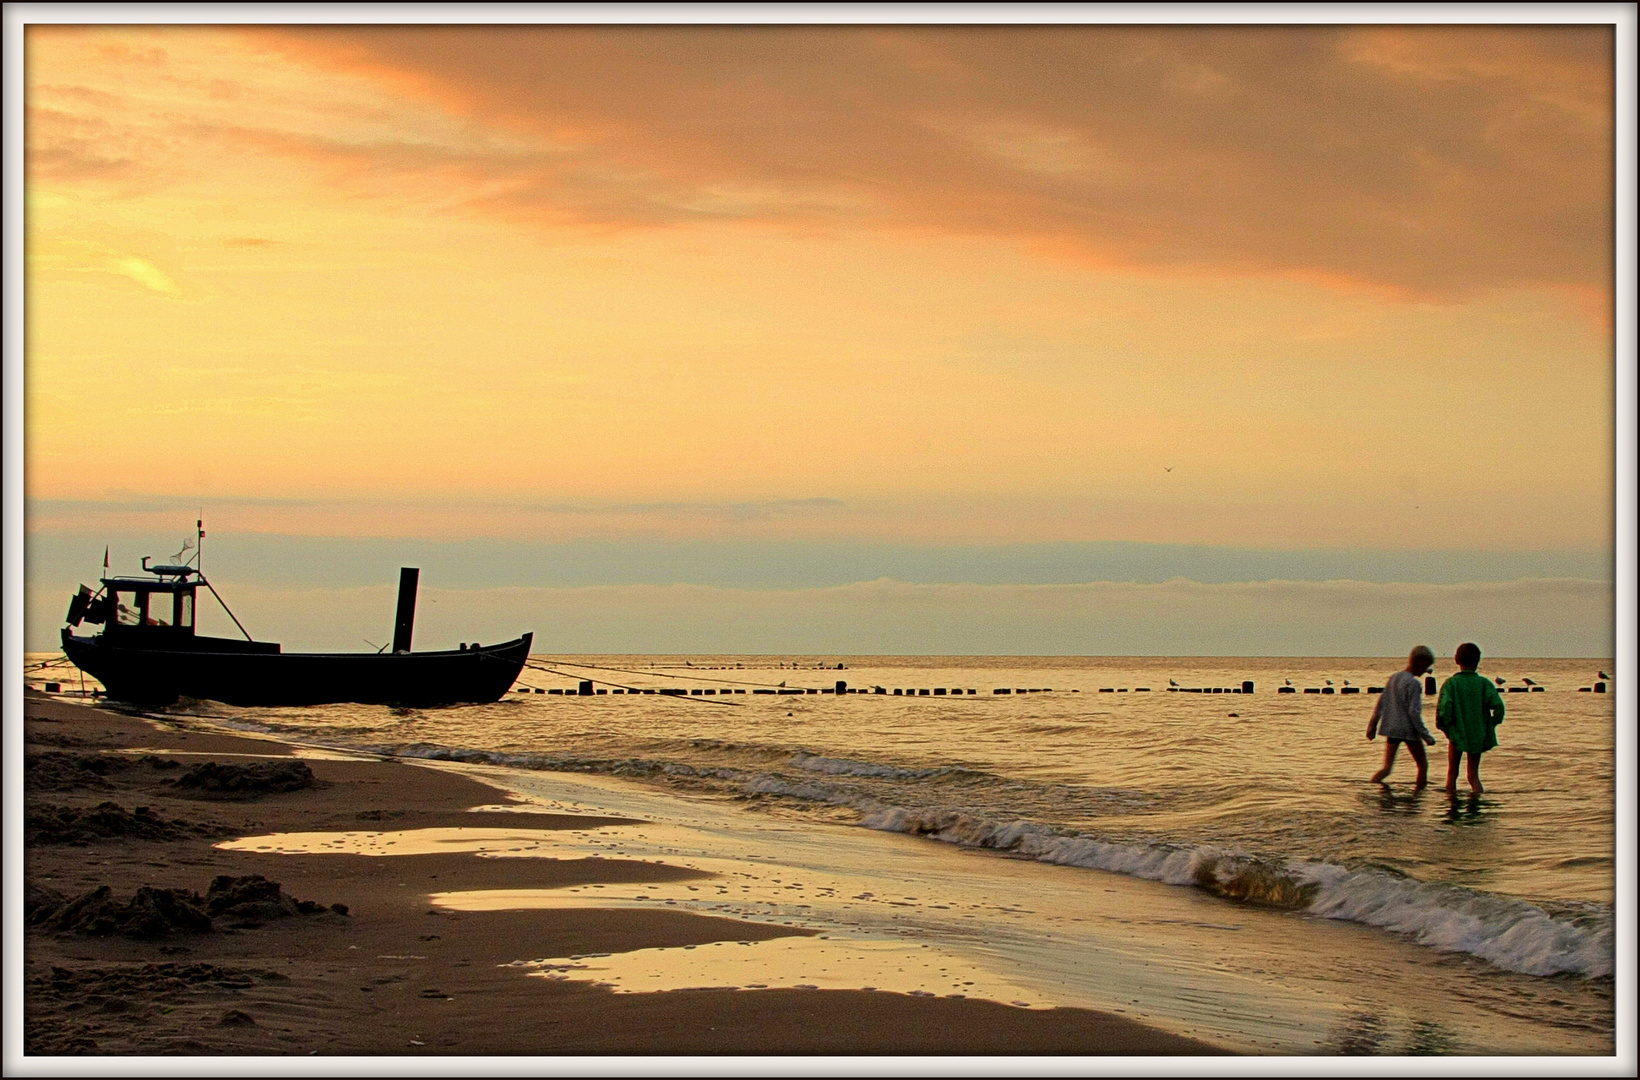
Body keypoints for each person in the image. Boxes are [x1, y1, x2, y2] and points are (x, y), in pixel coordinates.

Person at [1436, 642, 1505, 794]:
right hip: (1477, 733)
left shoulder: (1451, 684)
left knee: (1452, 774)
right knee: (1473, 776)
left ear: (1456, 660)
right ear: (1478, 660)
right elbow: (1498, 706)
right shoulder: (1484, 683)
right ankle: (1477, 805)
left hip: (1456, 733)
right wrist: (1492, 723)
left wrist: (1445, 728)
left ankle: (1451, 806)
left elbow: (1445, 709)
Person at [1368, 645, 1437, 787]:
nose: (1426, 671)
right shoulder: (1413, 683)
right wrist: (1426, 736)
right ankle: (1419, 795)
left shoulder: (1394, 678)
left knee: (1387, 767)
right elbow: (1414, 712)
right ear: (1420, 663)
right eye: (1426, 667)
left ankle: (1372, 786)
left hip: (1392, 729)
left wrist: (1372, 726)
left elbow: (1381, 704)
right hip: (1408, 730)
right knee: (1422, 765)